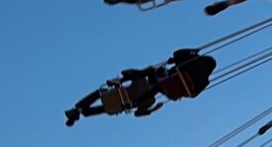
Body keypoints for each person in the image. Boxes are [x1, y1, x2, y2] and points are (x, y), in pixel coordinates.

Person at [66, 50, 216, 127]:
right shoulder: (205, 81)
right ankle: (80, 112)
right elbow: (193, 95)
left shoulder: (194, 60)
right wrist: (152, 109)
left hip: (159, 80)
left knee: (148, 71)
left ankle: (121, 80)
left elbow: (176, 55)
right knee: (113, 107)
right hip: (164, 92)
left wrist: (192, 52)